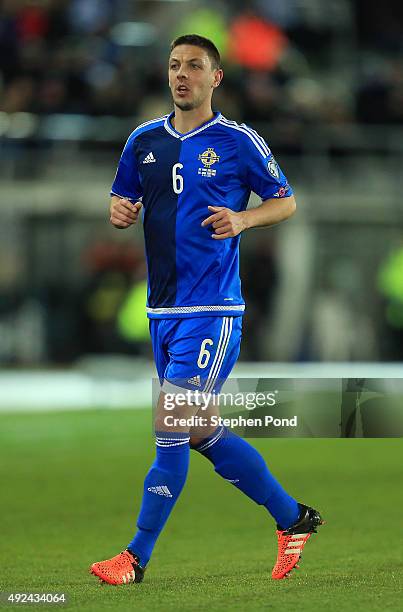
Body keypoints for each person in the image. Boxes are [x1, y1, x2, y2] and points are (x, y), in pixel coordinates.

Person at [90, 34, 323, 586]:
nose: (181, 75)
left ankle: (135, 557)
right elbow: (124, 197)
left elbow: (285, 200)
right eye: (174, 66)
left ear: (215, 77)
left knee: (170, 428)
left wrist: (243, 220)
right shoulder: (142, 141)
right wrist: (120, 210)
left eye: (194, 66)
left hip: (212, 310)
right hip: (162, 312)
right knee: (199, 433)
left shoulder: (238, 141)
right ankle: (294, 519)